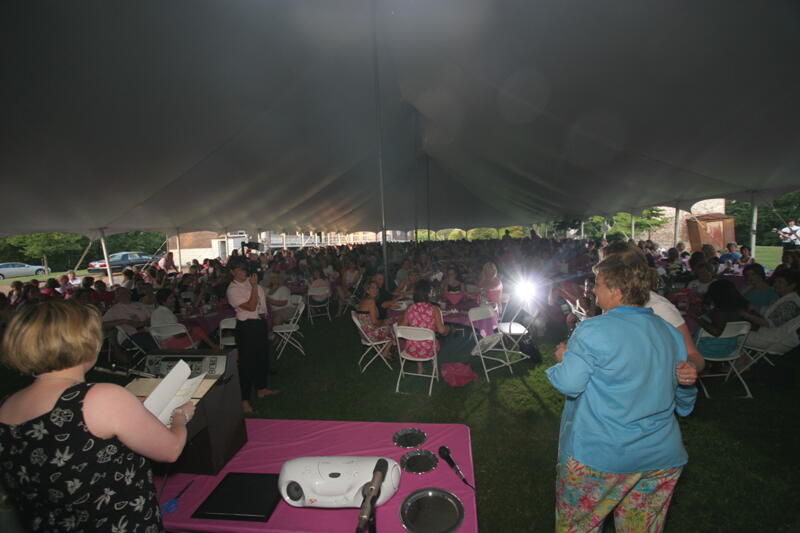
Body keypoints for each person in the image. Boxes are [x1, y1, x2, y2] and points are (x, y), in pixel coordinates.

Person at [0, 300, 195, 533]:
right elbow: (171, 449)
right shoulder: (101, 397)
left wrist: (131, 407)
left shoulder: (7, 405)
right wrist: (180, 416)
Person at [546, 253, 697, 532]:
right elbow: (684, 395)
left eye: (598, 284)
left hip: (600, 455)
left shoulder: (592, 329)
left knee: (578, 526)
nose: (593, 290)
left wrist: (563, 359)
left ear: (615, 290)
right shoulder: (669, 332)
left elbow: (570, 383)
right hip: (661, 456)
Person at [226, 256, 278, 413]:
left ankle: (261, 388)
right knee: (247, 364)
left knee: (262, 358)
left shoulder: (253, 283)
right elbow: (250, 306)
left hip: (258, 324)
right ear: (232, 272)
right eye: (240, 269)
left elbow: (262, 306)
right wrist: (254, 287)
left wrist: (263, 318)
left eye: (244, 268)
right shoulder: (233, 289)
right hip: (246, 327)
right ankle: (244, 400)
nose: (244, 272)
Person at [738, 270, 800, 354]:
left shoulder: (791, 303)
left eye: (780, 282)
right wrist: (751, 308)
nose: (776, 284)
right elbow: (770, 313)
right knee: (736, 329)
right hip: (772, 335)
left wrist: (746, 315)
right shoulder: (788, 298)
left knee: (733, 335)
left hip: (776, 341)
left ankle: (732, 359)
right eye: (775, 281)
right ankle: (742, 360)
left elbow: (768, 323)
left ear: (792, 285)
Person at [400, 279, 450, 374]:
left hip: (411, 349)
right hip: (429, 349)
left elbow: (402, 329)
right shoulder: (434, 309)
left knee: (417, 337)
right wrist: (448, 329)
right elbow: (442, 330)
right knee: (431, 340)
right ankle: (434, 366)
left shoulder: (409, 309)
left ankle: (420, 368)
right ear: (428, 293)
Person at [693, 279, 750, 358]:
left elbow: (717, 332)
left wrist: (697, 318)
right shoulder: (739, 307)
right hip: (728, 349)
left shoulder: (720, 311)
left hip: (708, 350)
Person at [151, 288, 220, 350]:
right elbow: (177, 335)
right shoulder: (168, 314)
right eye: (171, 298)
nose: (174, 300)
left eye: (173, 297)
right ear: (163, 301)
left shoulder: (155, 312)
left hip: (162, 345)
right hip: (173, 344)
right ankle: (214, 346)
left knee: (196, 331)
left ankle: (212, 346)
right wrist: (188, 331)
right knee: (197, 330)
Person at [102, 287, 159, 351]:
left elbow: (153, 317)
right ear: (117, 296)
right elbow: (102, 325)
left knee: (162, 335)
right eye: (122, 293)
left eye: (127, 292)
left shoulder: (140, 305)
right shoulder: (114, 310)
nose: (125, 294)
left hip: (149, 332)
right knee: (150, 338)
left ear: (130, 294)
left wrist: (142, 323)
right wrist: (123, 321)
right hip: (129, 337)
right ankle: (162, 355)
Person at [354, 281, 395, 360]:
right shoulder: (370, 301)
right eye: (372, 288)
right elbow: (375, 322)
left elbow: (374, 319)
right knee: (394, 327)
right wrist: (384, 322)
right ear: (367, 290)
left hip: (364, 333)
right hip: (370, 334)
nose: (375, 290)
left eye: (376, 288)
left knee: (391, 320)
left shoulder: (365, 300)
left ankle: (381, 348)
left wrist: (384, 321)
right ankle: (385, 353)